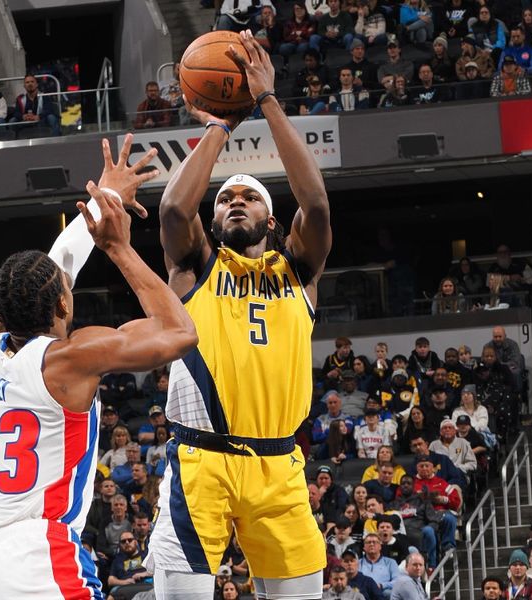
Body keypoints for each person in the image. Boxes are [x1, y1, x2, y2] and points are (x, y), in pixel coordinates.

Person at [0, 133, 194, 599]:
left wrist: (102, 202)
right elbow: (178, 333)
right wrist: (119, 246)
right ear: (63, 303)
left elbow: (46, 274)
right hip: (39, 558)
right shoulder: (69, 360)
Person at [146, 31, 331, 600]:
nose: (234, 203)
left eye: (248, 197)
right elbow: (177, 207)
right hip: (201, 460)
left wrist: (268, 103)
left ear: (271, 221)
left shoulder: (297, 270)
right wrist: (223, 122)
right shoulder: (196, 264)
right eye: (225, 199)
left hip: (279, 466)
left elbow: (317, 205)